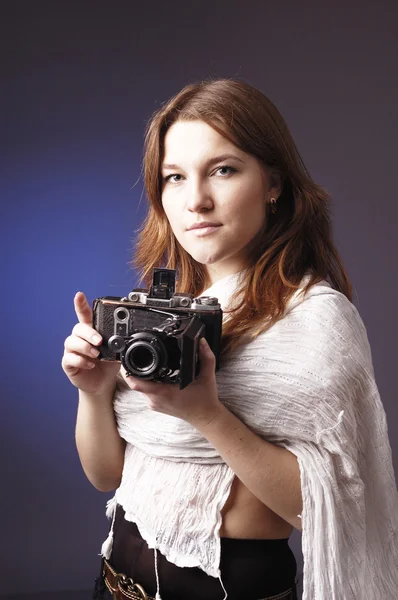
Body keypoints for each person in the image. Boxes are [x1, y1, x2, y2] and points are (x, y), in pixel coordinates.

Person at [62, 79, 398, 600]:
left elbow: (324, 509)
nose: (195, 200)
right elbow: (107, 477)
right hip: (114, 585)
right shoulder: (155, 316)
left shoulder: (315, 319)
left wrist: (207, 415)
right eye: (174, 177)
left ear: (273, 183)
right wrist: (94, 390)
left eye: (223, 169)